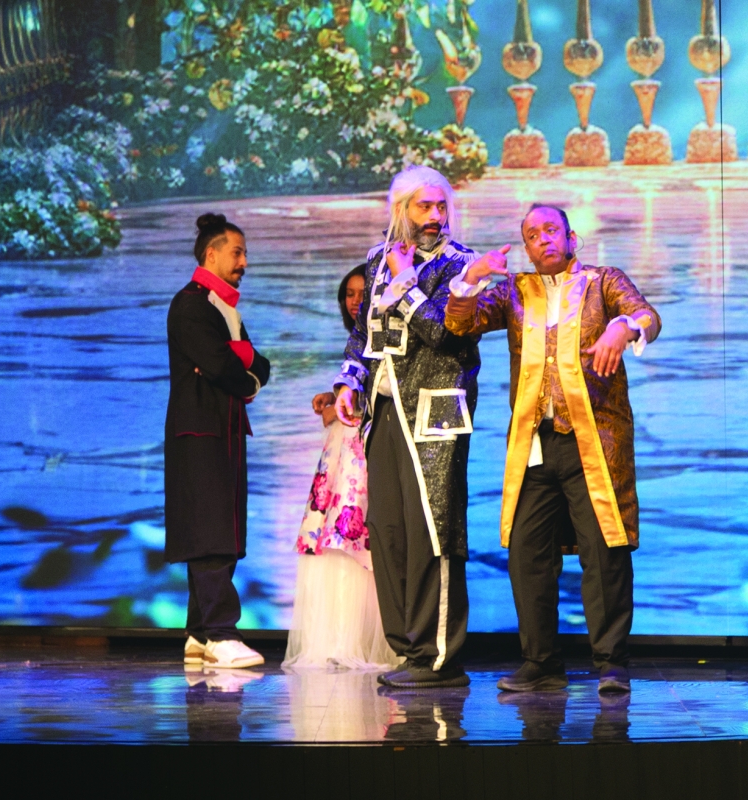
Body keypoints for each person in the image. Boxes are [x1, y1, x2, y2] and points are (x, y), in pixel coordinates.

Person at [444, 205, 661, 693]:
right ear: (525, 247)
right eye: (532, 235)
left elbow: (648, 316)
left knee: (603, 551)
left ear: (571, 237)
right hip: (534, 444)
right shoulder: (514, 291)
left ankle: (611, 663)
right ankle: (540, 663)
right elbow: (460, 324)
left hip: (594, 441)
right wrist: (470, 278)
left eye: (550, 230)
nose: (542, 239)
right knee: (527, 553)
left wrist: (622, 326)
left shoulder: (603, 281)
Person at [333, 165, 479, 689]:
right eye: (424, 206)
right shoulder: (378, 259)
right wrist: (349, 381)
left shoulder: (461, 265)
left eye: (441, 206)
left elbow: (443, 332)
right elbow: (363, 335)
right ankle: (406, 648)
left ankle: (436, 655)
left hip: (436, 411)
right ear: (401, 210)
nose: (435, 216)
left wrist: (405, 282)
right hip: (385, 409)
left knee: (432, 530)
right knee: (389, 531)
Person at [165, 212, 271, 669]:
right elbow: (221, 365)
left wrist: (243, 365)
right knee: (210, 528)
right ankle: (222, 632)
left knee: (219, 523)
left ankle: (199, 631)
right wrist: (242, 368)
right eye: (237, 252)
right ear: (212, 254)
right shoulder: (191, 304)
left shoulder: (224, 307)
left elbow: (259, 364)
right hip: (200, 431)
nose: (244, 262)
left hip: (224, 428)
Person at [283, 265, 398, 670]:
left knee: (356, 537)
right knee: (333, 537)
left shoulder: (386, 336)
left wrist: (343, 407)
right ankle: (338, 637)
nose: (354, 301)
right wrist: (334, 399)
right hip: (344, 451)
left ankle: (361, 638)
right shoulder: (356, 343)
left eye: (362, 293)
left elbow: (386, 390)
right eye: (348, 294)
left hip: (364, 449)